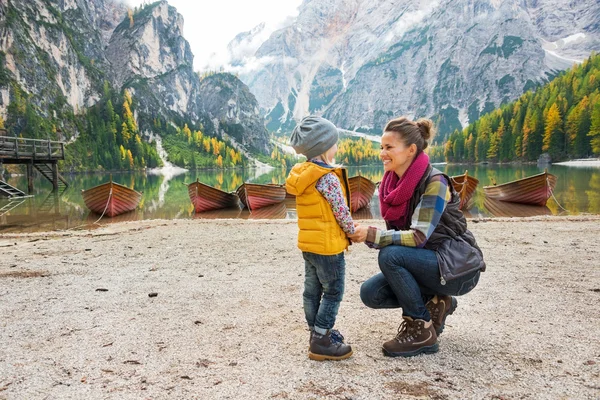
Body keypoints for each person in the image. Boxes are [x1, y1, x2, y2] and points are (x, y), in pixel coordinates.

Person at [348, 116, 485, 358]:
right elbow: (403, 237)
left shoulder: (435, 182)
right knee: (371, 294)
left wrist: (371, 235)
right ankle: (437, 302)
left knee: (391, 256)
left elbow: (418, 237)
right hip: (430, 264)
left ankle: (421, 329)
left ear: (411, 150)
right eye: (382, 147)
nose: (382, 153)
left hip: (457, 268)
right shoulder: (392, 186)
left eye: (389, 147)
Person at [285, 116, 354, 361]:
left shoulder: (303, 175)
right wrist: (351, 231)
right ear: (325, 147)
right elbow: (341, 210)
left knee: (311, 291)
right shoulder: (328, 177)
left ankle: (315, 332)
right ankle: (322, 339)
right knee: (333, 291)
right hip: (328, 246)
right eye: (334, 143)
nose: (336, 147)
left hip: (309, 245)